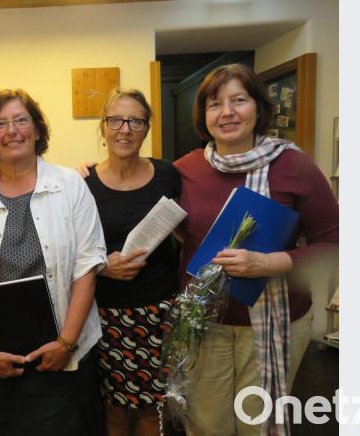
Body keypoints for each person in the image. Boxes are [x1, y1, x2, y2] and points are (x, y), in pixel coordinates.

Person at [174, 63, 338, 435]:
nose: (227, 112)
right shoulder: (185, 169)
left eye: (239, 100)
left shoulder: (294, 166)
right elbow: (164, 220)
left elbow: (334, 244)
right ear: (203, 116)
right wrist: (88, 173)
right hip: (204, 325)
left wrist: (269, 262)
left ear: (258, 108)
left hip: (275, 322)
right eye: (215, 104)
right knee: (206, 424)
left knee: (258, 425)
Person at [0, 88, 108, 436]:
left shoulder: (70, 185)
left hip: (64, 347)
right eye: (0, 124)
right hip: (0, 352)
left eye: (21, 120)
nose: (12, 131)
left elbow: (87, 268)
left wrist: (66, 343)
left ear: (37, 129)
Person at [83, 89, 182, 436]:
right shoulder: (83, 183)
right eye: (115, 120)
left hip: (159, 312)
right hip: (106, 314)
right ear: (103, 127)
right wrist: (101, 265)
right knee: (113, 408)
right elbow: (67, 252)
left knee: (151, 409)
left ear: (146, 128)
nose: (125, 129)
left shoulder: (169, 175)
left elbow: (187, 230)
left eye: (135, 121)